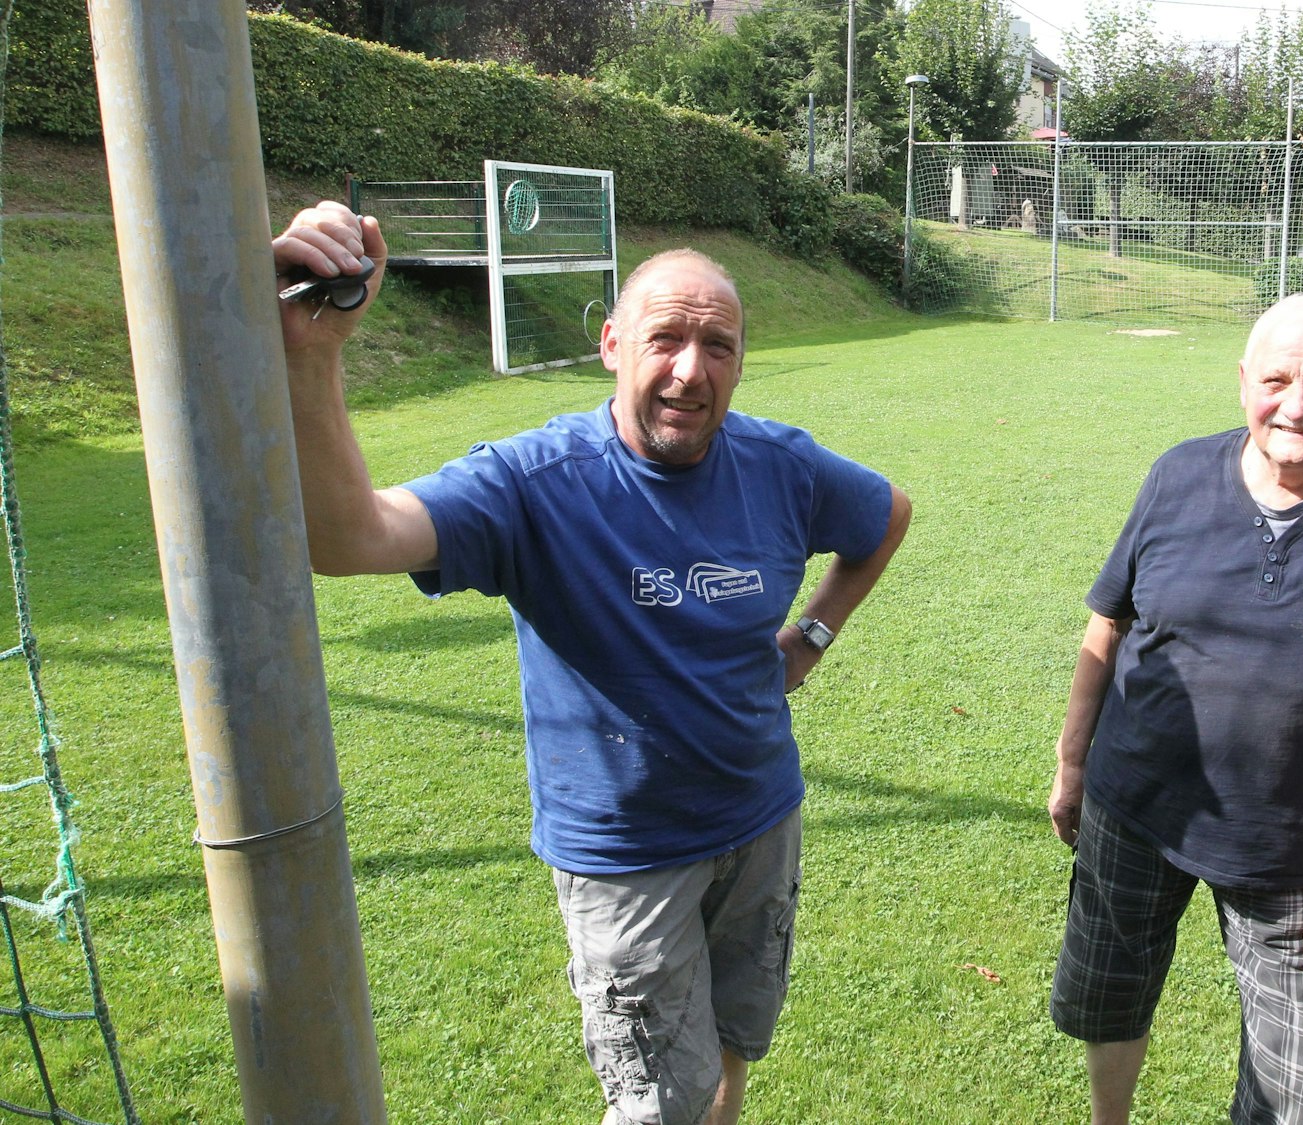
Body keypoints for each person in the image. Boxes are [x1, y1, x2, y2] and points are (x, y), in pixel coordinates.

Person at [273, 202, 912, 1125]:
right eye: (665, 340)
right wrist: (314, 354)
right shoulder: (535, 485)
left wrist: (809, 638)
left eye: (718, 346)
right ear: (613, 344)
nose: (691, 371)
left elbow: (885, 514)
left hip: (760, 817)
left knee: (734, 1041)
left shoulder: (783, 466)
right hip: (627, 859)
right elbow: (346, 535)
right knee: (659, 1102)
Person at [1045, 294, 1303, 1125]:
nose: (1297, 404)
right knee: (1109, 995)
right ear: (1244, 383)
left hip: (1292, 845)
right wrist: (1072, 760)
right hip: (1136, 805)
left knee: (1295, 1086)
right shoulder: (1178, 474)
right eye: (1277, 378)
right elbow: (1110, 621)